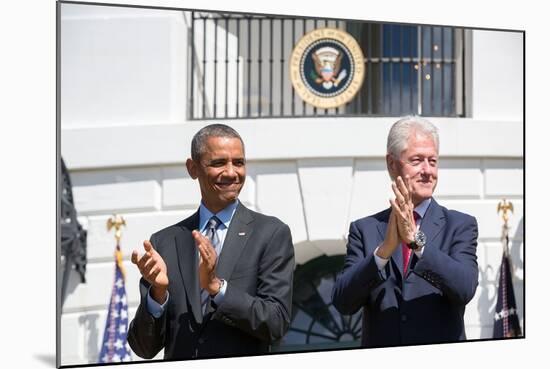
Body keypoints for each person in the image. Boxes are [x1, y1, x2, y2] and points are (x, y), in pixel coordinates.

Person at [128, 124, 295, 359]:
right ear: (192, 168)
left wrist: (217, 287)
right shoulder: (165, 241)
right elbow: (143, 348)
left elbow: (276, 323)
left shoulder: (271, 233)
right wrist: (158, 293)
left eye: (238, 162)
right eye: (218, 163)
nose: (231, 172)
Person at [332, 116, 479, 347]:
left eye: (432, 161)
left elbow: (464, 289)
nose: (427, 170)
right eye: (417, 160)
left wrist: (417, 243)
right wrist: (383, 252)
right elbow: (343, 301)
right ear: (392, 164)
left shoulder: (460, 225)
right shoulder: (364, 229)